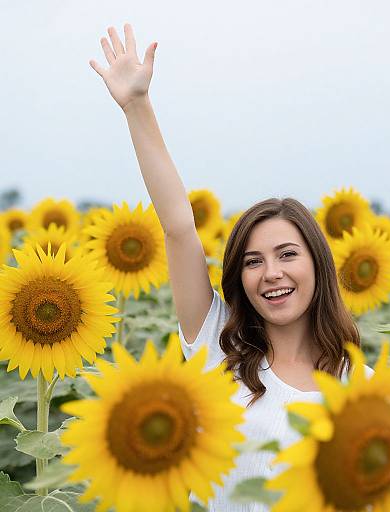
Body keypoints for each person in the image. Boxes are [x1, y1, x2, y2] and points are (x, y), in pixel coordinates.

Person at [90, 24, 374, 511]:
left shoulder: (362, 386)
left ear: (317, 264)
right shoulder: (218, 346)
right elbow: (179, 228)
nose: (272, 273)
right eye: (253, 261)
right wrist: (137, 106)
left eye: (287, 255)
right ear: (240, 278)